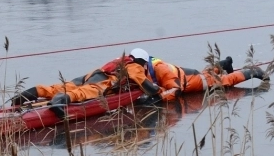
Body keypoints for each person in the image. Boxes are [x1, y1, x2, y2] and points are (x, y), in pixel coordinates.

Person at [11, 48, 163, 118]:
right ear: (142, 61)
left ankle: (25, 95)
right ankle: (58, 103)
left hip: (90, 76)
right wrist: (158, 90)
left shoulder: (120, 60)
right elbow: (146, 86)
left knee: (58, 87)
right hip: (102, 82)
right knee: (81, 94)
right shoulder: (134, 66)